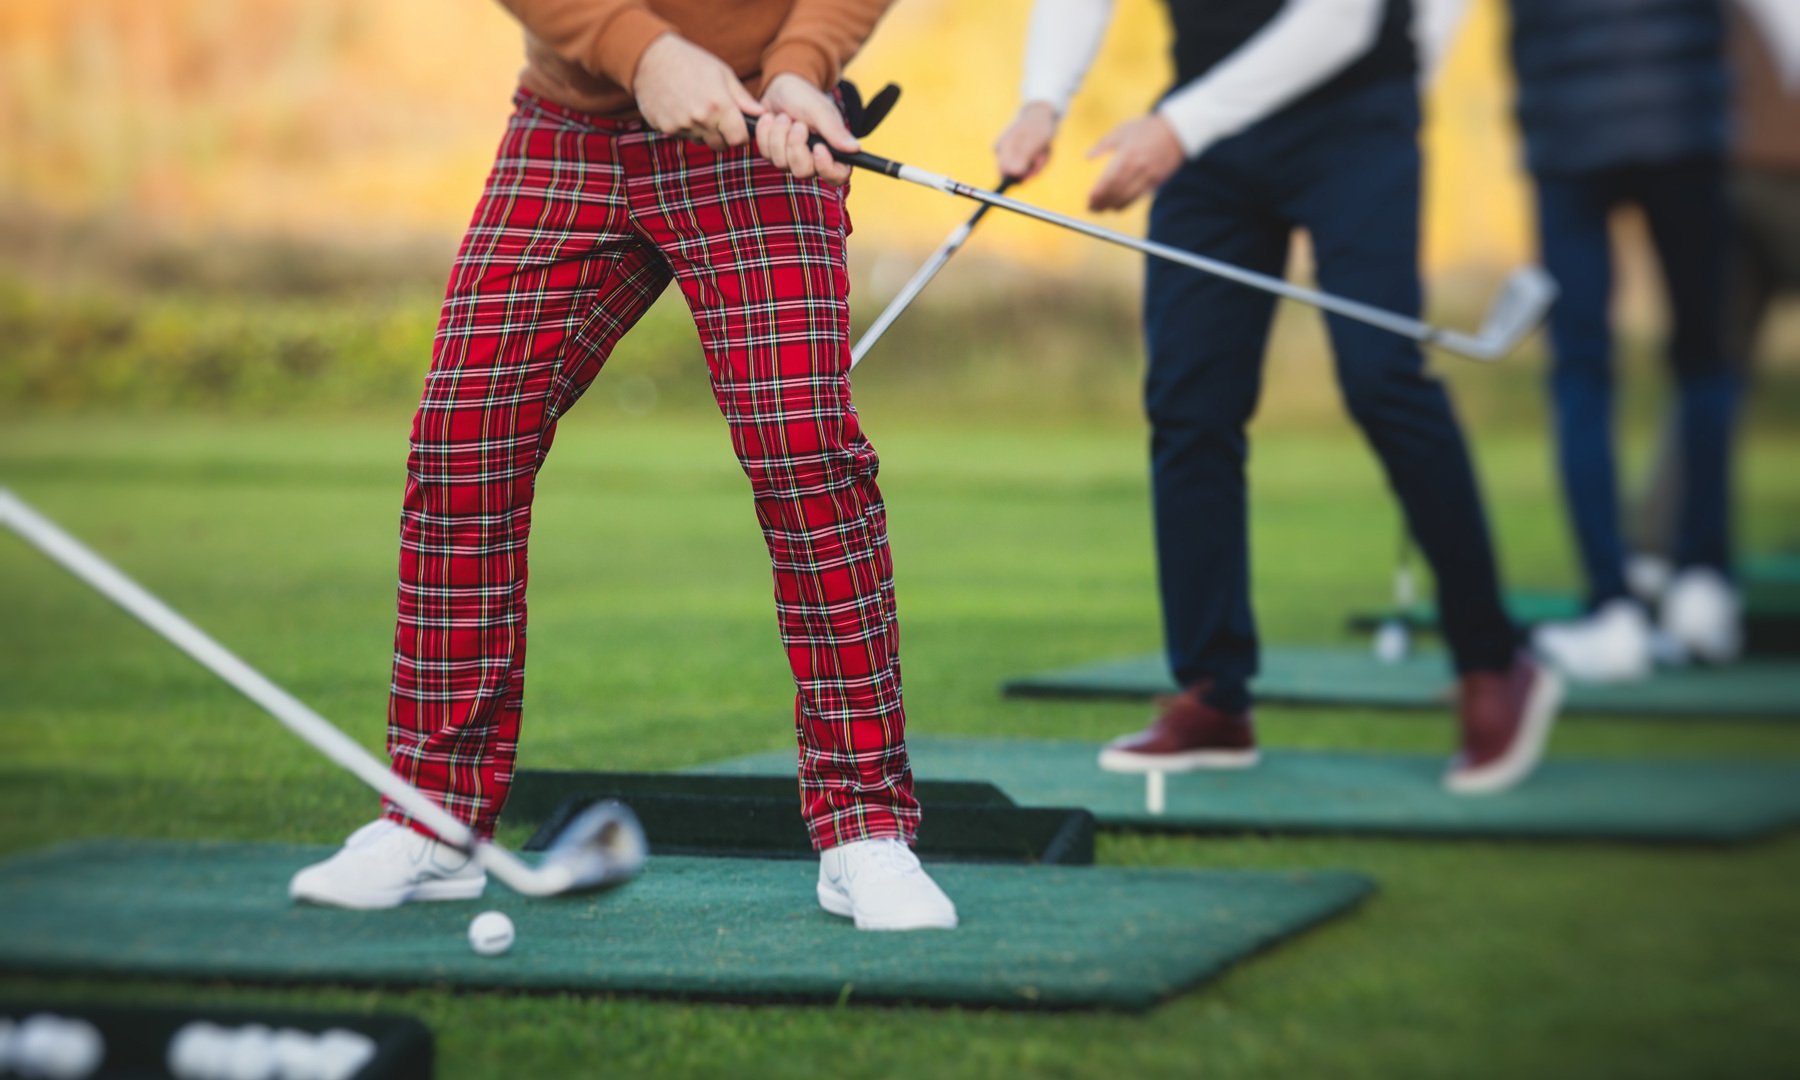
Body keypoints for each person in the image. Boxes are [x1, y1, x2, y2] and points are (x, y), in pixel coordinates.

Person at [288, 0, 959, 932]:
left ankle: (865, 831)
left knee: (806, 456)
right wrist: (641, 54)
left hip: (762, 127)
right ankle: (433, 822)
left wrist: (804, 65)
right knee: (463, 443)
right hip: (570, 130)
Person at [995, 0, 1561, 793]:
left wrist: (1177, 129)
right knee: (1190, 404)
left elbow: (1340, 21)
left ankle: (1494, 661)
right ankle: (1214, 696)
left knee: (1381, 379)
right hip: (1211, 135)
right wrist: (1042, 98)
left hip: (1352, 120)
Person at [1512, 0, 1741, 681]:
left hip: (1567, 137)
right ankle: (1704, 584)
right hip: (1685, 125)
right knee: (1704, 357)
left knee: (1581, 371)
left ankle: (1613, 606)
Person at [1629, 0, 1800, 597]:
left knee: (1713, 365)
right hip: (1777, 159)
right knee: (1711, 362)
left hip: (1717, 155)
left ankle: (1656, 548)